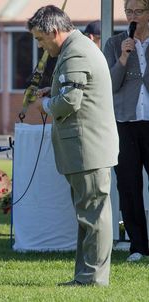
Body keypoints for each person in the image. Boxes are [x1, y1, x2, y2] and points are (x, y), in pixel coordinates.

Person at [28, 5, 119, 286]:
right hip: (88, 147)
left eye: (40, 39)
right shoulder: (77, 47)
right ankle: (85, 276)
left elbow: (69, 102)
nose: (41, 46)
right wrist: (52, 91)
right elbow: (73, 91)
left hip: (87, 148)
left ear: (54, 31)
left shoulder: (76, 52)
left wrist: (45, 104)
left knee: (93, 215)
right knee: (88, 215)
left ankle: (92, 278)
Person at [104, 0, 149, 262]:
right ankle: (138, 246)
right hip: (124, 122)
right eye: (128, 12)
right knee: (129, 185)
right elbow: (110, 85)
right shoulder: (114, 43)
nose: (132, 16)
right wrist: (123, 57)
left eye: (138, 12)